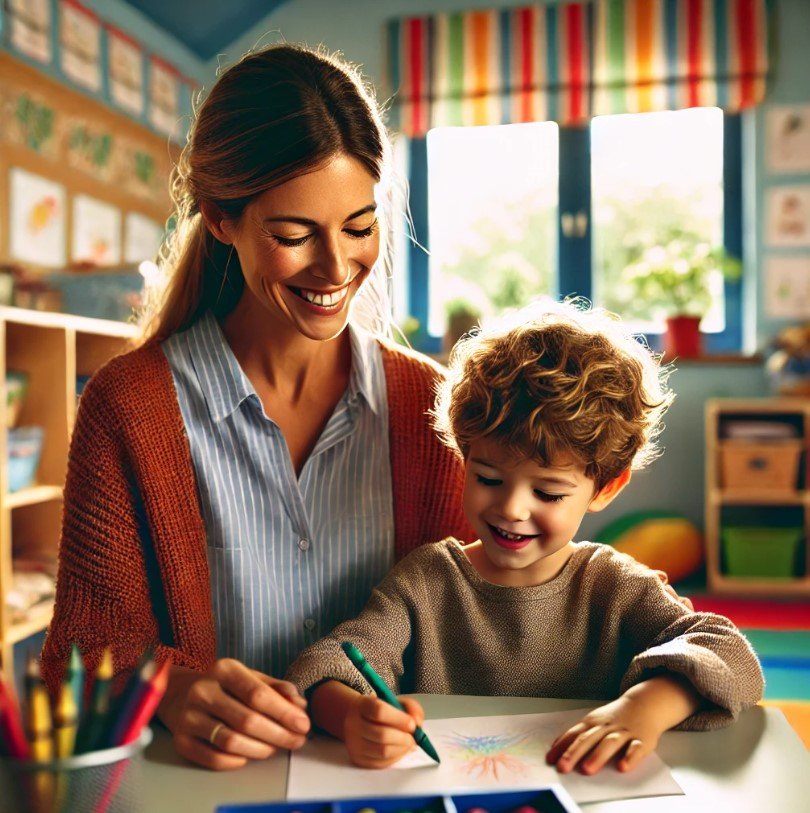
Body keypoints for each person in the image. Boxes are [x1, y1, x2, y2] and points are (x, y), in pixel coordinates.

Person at [40, 43, 689, 771]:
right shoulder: (130, 407)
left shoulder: (429, 406)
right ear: (221, 220)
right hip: (207, 785)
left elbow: (493, 610)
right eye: (292, 235)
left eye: (359, 226)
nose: (336, 267)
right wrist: (170, 688)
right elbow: (79, 652)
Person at [285, 299, 764, 775]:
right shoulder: (426, 581)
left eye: (548, 492)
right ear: (463, 457)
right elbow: (333, 660)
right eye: (489, 479)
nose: (511, 509)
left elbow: (727, 652)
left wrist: (646, 706)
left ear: (606, 487)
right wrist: (351, 715)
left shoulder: (613, 587)